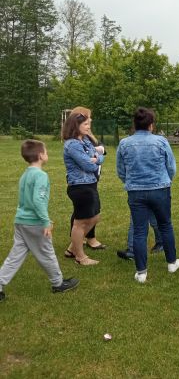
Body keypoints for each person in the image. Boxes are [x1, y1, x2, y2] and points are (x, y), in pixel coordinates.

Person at [0, 140, 79, 302]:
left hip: (20, 221)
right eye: (46, 152)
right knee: (47, 253)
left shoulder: (25, 175)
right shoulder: (41, 175)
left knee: (15, 256)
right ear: (41, 155)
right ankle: (58, 283)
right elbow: (38, 200)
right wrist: (45, 221)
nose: (47, 154)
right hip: (34, 223)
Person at [116, 107, 179, 283]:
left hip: (135, 191)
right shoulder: (161, 141)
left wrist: (131, 182)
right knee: (165, 225)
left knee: (139, 231)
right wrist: (166, 180)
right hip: (160, 189)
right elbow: (171, 166)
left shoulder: (124, 143)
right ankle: (172, 263)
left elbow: (121, 170)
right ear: (151, 125)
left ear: (134, 124)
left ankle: (141, 272)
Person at [62, 111, 105, 266]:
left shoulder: (85, 140)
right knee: (80, 222)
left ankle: (72, 248)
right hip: (80, 186)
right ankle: (80, 257)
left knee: (94, 217)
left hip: (90, 183)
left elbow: (101, 156)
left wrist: (96, 158)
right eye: (85, 124)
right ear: (76, 125)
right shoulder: (72, 144)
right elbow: (88, 165)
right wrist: (95, 159)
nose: (88, 127)